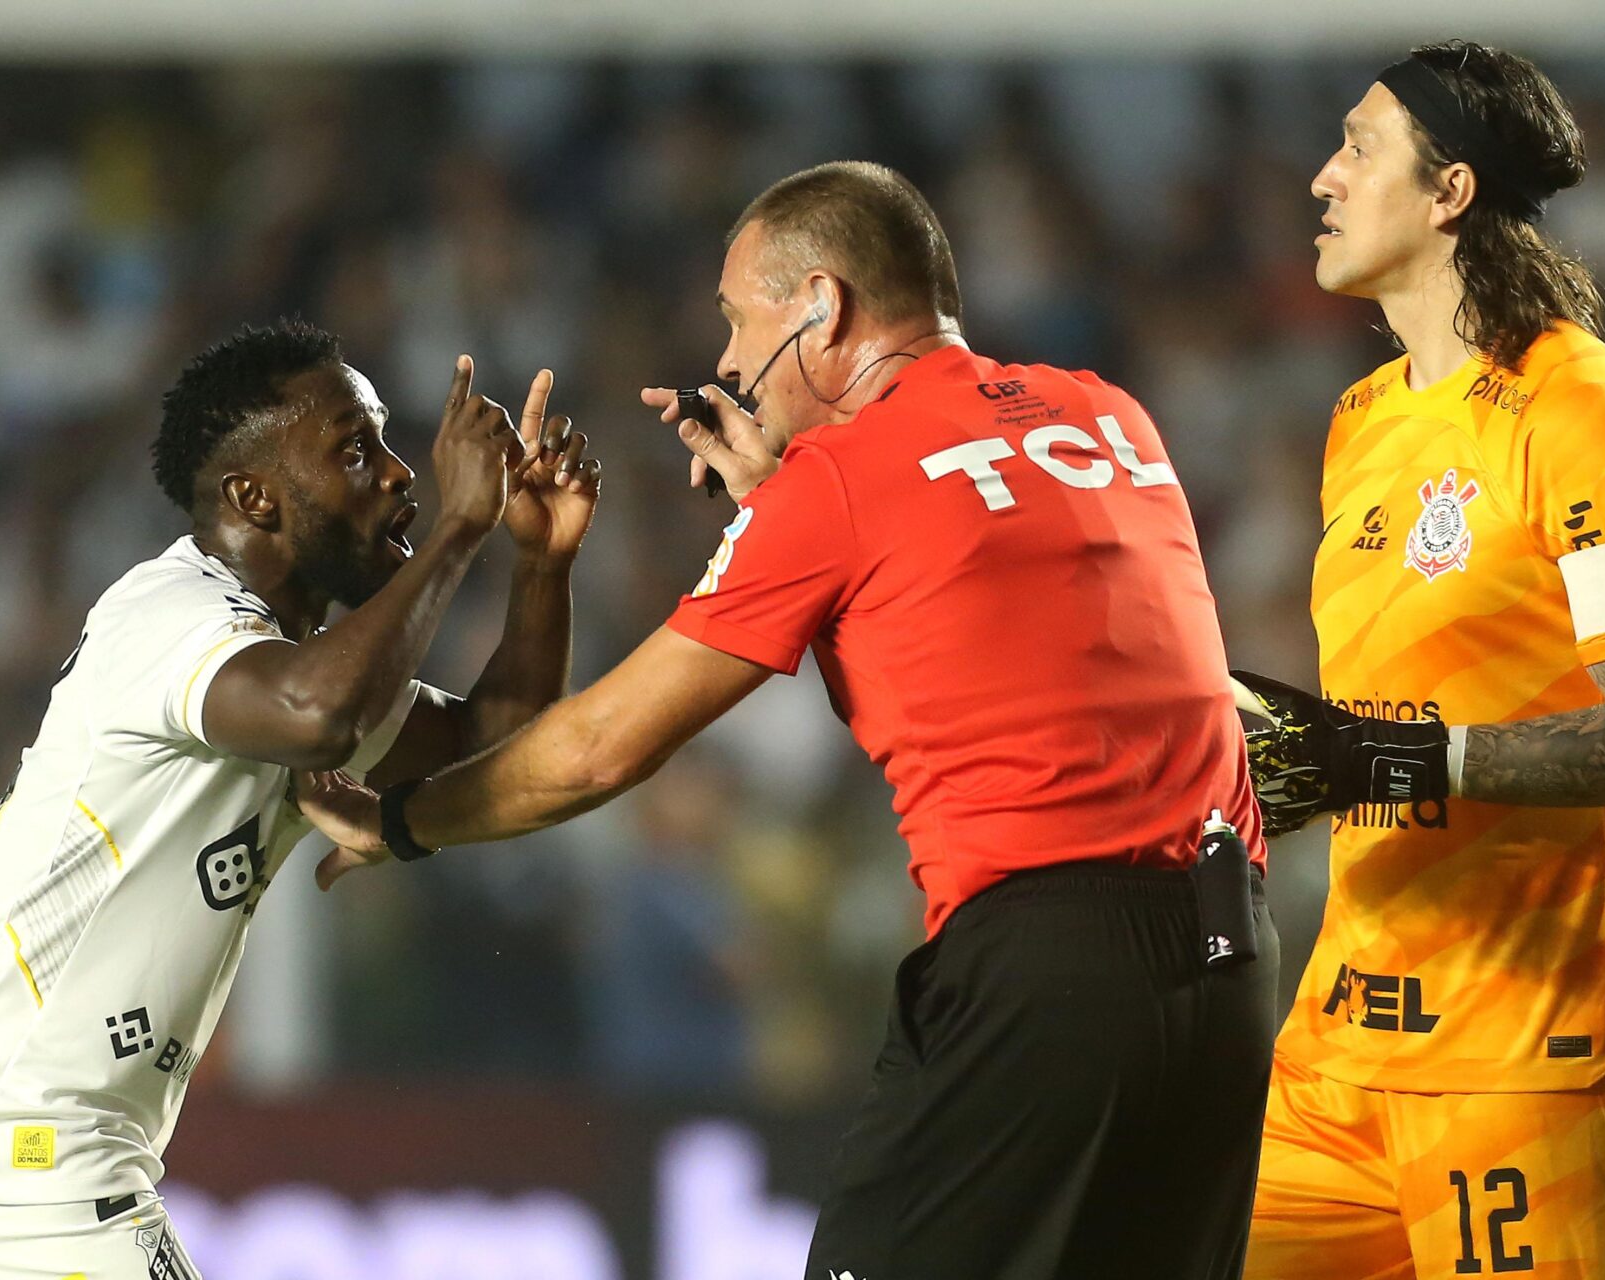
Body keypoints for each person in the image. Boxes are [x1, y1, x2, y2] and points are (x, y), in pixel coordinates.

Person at [301, 161, 1279, 1278]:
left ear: (822, 306)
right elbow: (990, 596)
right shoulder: (1109, 413)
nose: (723, 360)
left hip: (1040, 974)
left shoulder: (841, 479)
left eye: (736, 315)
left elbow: (597, 749)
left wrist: (403, 821)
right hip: (1228, 965)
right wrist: (786, 503)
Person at [0, 320, 601, 1278]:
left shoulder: (288, 665)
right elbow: (319, 718)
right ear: (252, 497)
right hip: (16, 1152)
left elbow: (492, 737)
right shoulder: (172, 612)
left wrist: (541, 563)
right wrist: (460, 527)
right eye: (356, 449)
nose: (399, 475)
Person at [1230, 41, 1605, 1278]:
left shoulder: (1582, 405)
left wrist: (1403, 756)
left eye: (1357, 147)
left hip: (1539, 1062)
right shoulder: (1363, 421)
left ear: (1450, 192)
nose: (1321, 180)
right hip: (1341, 1058)